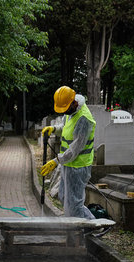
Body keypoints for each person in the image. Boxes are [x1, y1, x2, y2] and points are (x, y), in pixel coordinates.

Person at [40, 86, 96, 219]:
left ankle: (89, 227)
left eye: (65, 109)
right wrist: (54, 129)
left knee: (74, 205)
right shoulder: (70, 111)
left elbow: (75, 149)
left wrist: (56, 161)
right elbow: (65, 128)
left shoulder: (84, 119)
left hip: (78, 166)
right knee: (64, 197)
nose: (64, 112)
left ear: (73, 103)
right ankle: (90, 223)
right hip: (68, 163)